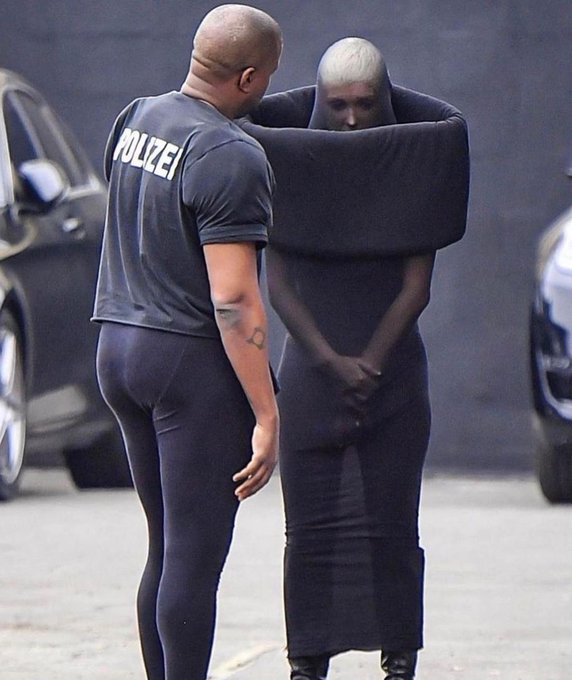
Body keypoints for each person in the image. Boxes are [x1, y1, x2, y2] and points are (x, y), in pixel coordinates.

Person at [241, 37, 469, 680]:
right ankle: (307, 661)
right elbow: (278, 285)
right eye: (336, 106)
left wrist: (369, 360)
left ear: (385, 101)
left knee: (393, 524)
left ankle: (399, 658)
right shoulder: (290, 165)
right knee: (308, 528)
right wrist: (332, 362)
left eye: (364, 105)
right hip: (314, 375)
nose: (348, 120)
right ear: (318, 103)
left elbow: (416, 285)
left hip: (392, 374)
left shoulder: (413, 164)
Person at [91, 5, 282, 680]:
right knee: (194, 559)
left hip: (117, 347)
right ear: (250, 78)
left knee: (166, 547)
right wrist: (266, 413)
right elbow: (233, 300)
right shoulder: (231, 155)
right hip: (185, 365)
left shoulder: (136, 118)